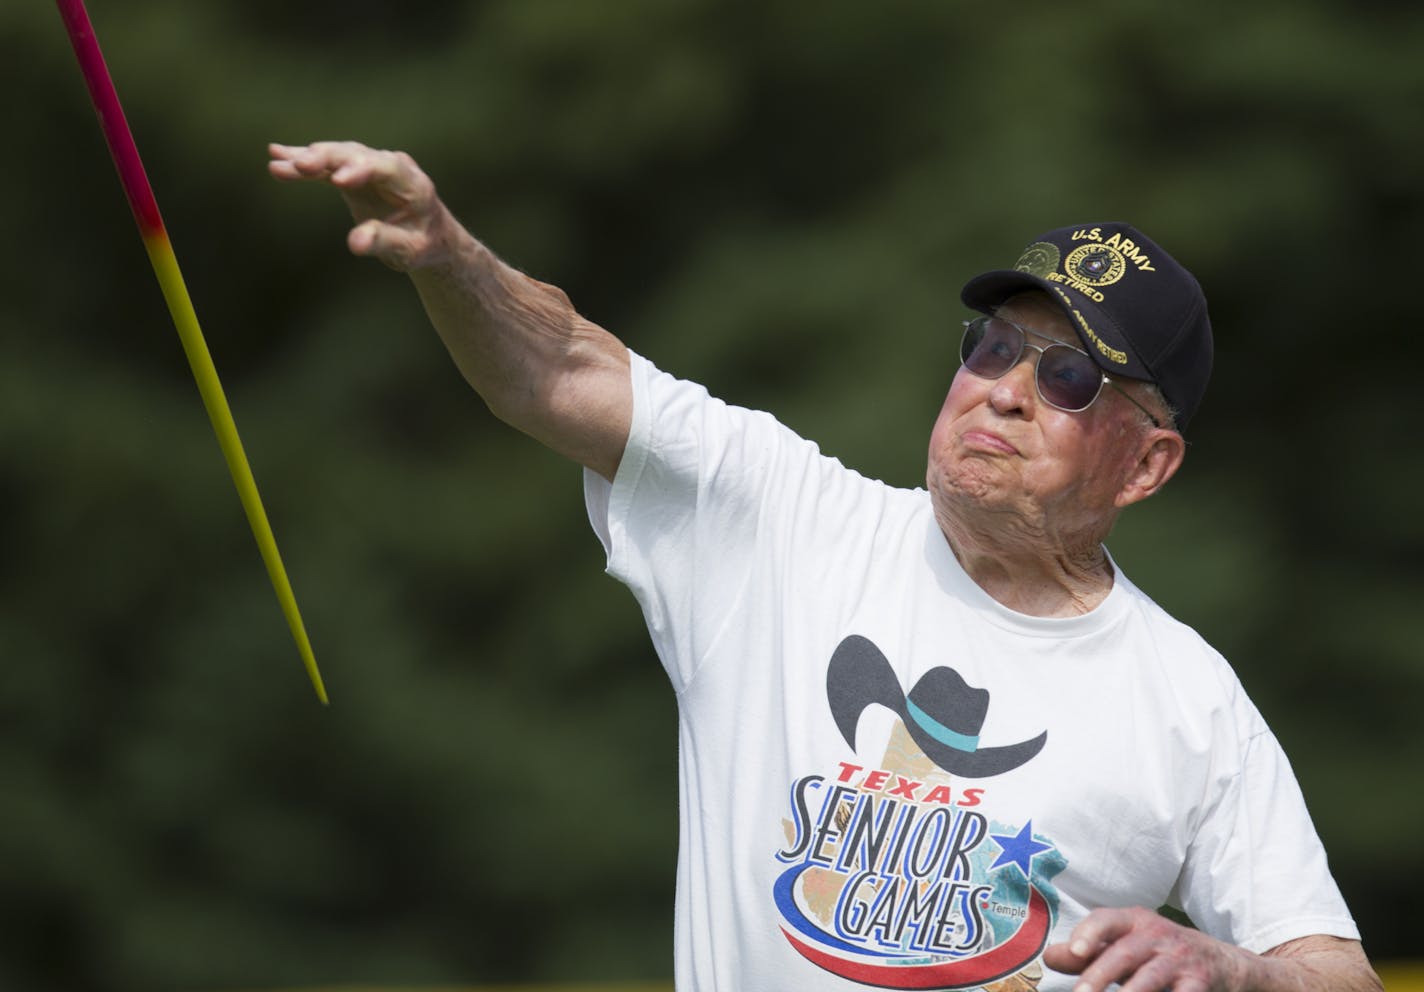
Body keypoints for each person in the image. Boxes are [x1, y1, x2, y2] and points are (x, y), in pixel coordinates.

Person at [268, 141, 1382, 992]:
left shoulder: (1185, 694)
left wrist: (1236, 968)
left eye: (1068, 379)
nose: (1001, 388)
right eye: (991, 346)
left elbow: (1332, 970)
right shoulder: (785, 520)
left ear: (1146, 462)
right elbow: (561, 367)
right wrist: (448, 253)